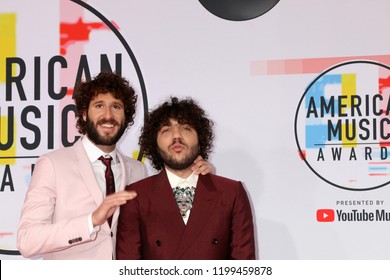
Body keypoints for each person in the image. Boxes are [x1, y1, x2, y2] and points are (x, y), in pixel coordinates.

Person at [16, 72, 211, 260]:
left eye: (116, 107)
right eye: (99, 105)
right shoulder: (53, 164)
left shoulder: (137, 170)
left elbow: (159, 234)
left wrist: (192, 180)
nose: (108, 115)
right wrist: (91, 221)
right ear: (84, 114)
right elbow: (27, 241)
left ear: (126, 117)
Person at [116, 96, 255, 260]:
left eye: (186, 128)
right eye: (166, 130)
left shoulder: (231, 193)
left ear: (200, 138)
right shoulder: (136, 196)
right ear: (154, 143)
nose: (176, 136)